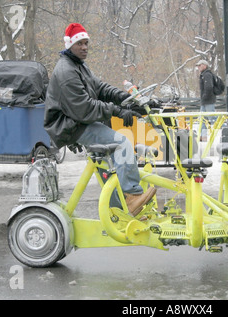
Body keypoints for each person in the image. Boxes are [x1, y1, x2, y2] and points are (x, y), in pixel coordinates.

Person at [44, 23, 156, 217]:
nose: (84, 47)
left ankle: (119, 211)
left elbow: (101, 88)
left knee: (109, 166)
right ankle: (132, 196)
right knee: (121, 144)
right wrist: (118, 112)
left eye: (86, 43)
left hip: (78, 121)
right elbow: (84, 108)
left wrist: (124, 99)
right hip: (71, 126)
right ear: (70, 44)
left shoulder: (79, 65)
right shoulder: (66, 72)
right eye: (80, 43)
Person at [196, 60, 216, 142]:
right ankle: (203, 136)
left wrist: (204, 97)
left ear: (204, 66)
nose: (198, 67)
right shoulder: (203, 75)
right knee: (202, 119)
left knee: (213, 119)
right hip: (205, 101)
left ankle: (227, 128)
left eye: (199, 65)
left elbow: (209, 87)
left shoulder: (207, 74)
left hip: (208, 101)